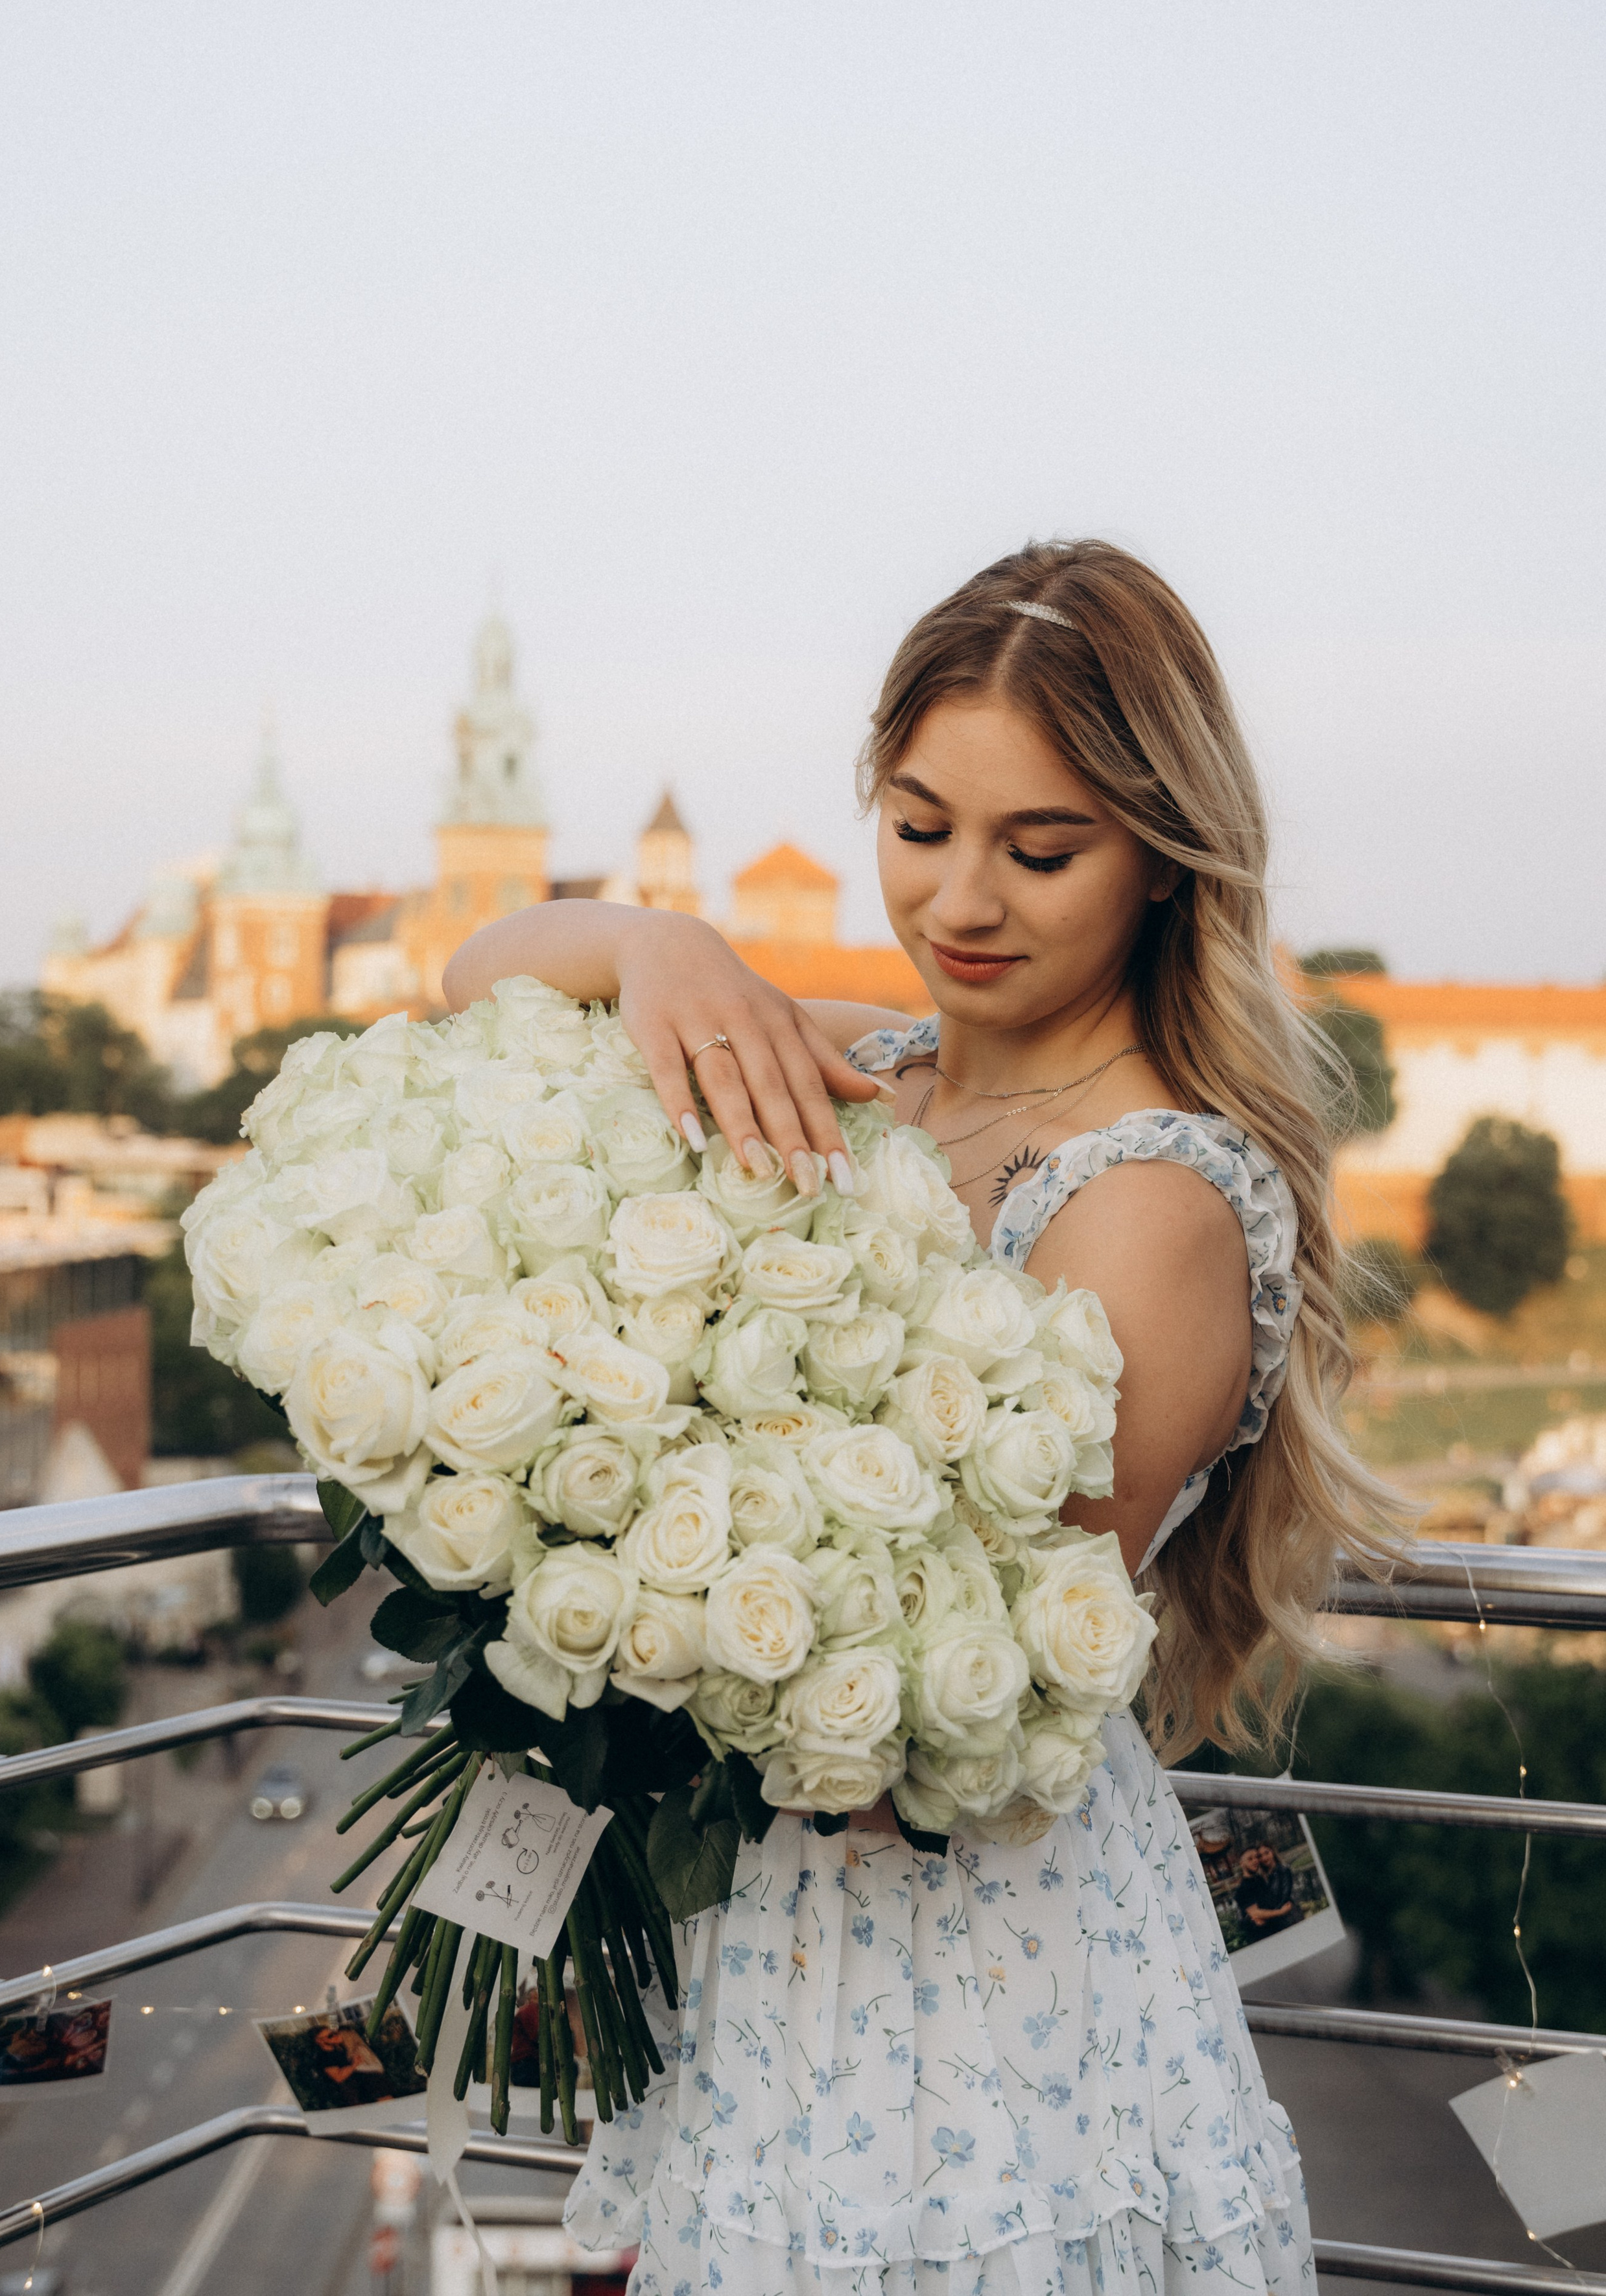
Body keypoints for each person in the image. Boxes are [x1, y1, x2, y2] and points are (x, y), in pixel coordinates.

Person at [444, 538, 1388, 2296]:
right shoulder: (866, 1072)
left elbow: (962, 1677)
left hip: (977, 1965)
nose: (962, 899)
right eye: (918, 822)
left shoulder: (1157, 1199)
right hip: (765, 1926)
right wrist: (660, 942)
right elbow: (473, 972)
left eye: (1041, 850)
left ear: (1165, 865)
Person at [1234, 1842, 1299, 1943]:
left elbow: (1268, 1903)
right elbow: (1256, 1913)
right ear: (1242, 1863)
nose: (1255, 1861)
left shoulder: (1260, 1879)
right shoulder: (1243, 1889)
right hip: (1262, 1937)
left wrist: (1263, 1916)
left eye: (1256, 1857)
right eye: (1250, 1859)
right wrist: (1281, 1912)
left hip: (1276, 1929)